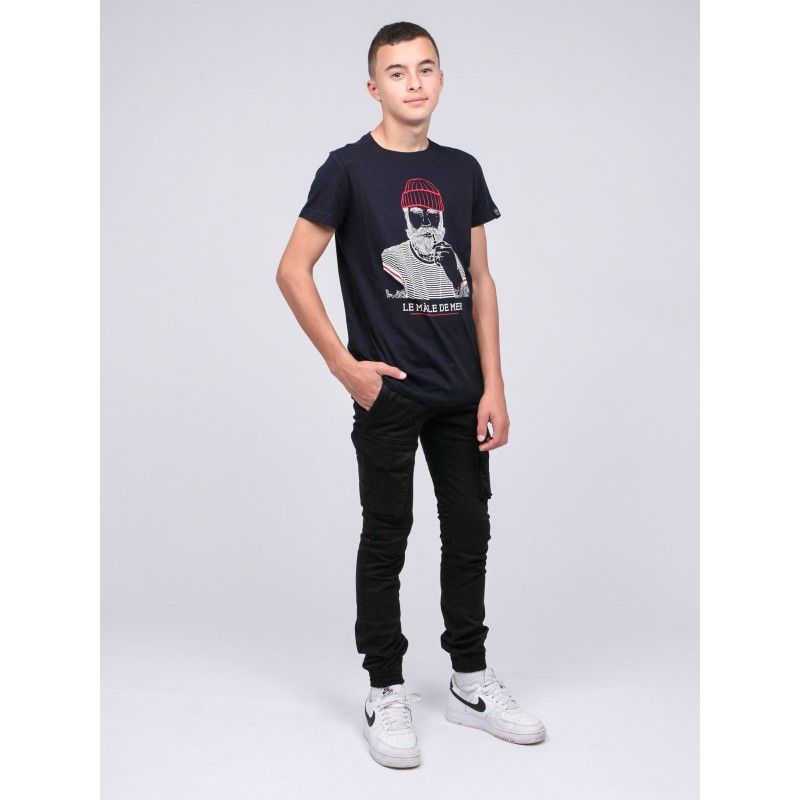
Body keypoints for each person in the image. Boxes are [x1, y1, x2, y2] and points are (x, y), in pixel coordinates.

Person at [276, 21, 546, 769]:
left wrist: (495, 385)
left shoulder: (462, 170)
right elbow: (292, 269)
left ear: (441, 79)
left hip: (461, 392)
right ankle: (384, 688)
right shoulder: (347, 169)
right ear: (374, 87)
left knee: (469, 532)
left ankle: (469, 682)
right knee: (387, 536)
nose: (414, 83)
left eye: (426, 69)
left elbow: (480, 280)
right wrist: (344, 366)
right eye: (397, 72)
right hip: (389, 395)